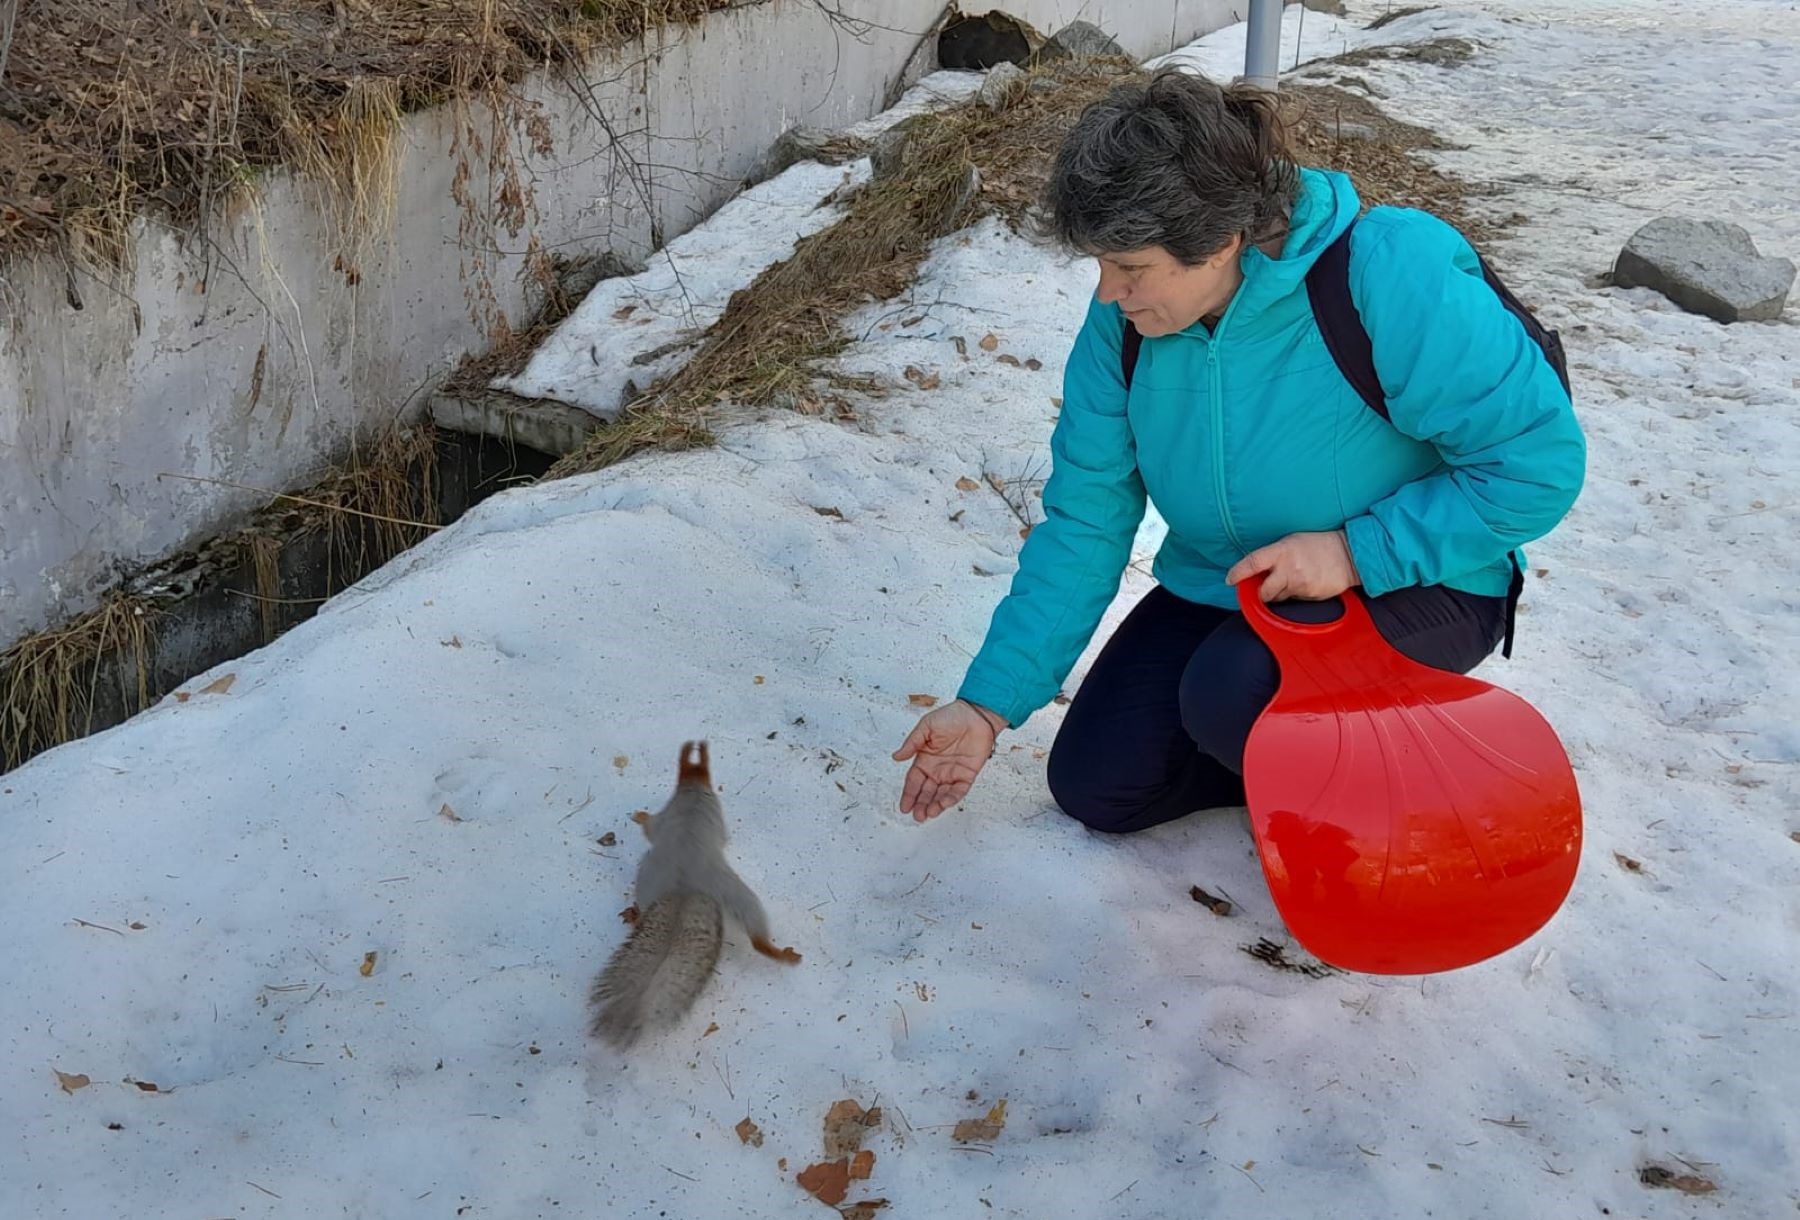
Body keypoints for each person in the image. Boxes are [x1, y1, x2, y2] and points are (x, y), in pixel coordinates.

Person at [892, 69, 1585, 829]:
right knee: (1100, 784)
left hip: (1421, 581)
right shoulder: (1126, 327)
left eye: (1130, 268)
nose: (1106, 293)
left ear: (1222, 244)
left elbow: (1535, 464)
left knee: (1233, 695)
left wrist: (1354, 554)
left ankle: (1395, 796)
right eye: (1100, 265)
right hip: (1239, 589)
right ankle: (1290, 764)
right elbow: (1087, 519)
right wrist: (989, 705)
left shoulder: (1386, 273)